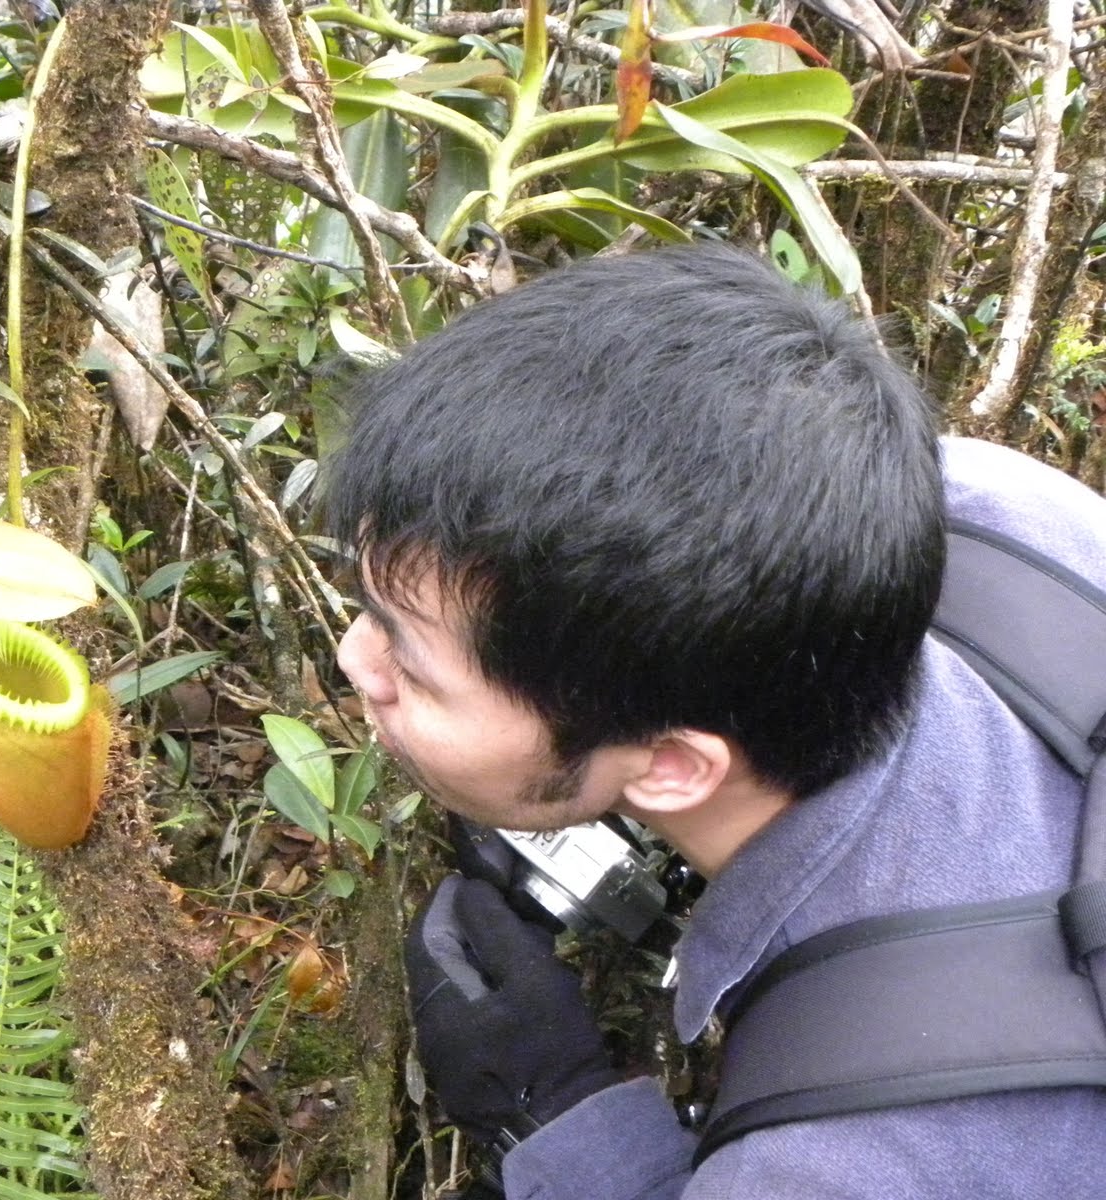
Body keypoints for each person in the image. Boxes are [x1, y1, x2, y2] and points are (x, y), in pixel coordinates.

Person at [325, 243, 1106, 1198]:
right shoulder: (1000, 513)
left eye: (411, 664)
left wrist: (558, 1115)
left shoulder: (849, 1163)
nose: (356, 661)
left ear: (672, 767)